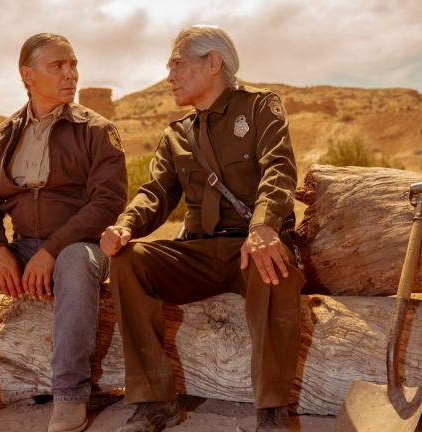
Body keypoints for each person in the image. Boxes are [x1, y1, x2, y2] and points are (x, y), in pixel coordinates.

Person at [0, 33, 127, 432]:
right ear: (27, 75)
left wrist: (52, 250)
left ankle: (70, 396)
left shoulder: (97, 130)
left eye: (73, 64)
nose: (70, 74)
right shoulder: (1, 137)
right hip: (21, 249)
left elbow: (108, 201)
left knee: (73, 259)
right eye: (57, 66)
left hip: (82, 249)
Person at [101, 25, 305, 432]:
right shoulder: (176, 135)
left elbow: (279, 170)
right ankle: (154, 402)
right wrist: (125, 226)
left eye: (177, 64)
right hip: (197, 252)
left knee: (271, 266)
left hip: (250, 246)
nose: (169, 76)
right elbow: (156, 192)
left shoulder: (259, 108)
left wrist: (264, 226)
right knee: (128, 260)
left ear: (214, 63)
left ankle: (272, 414)